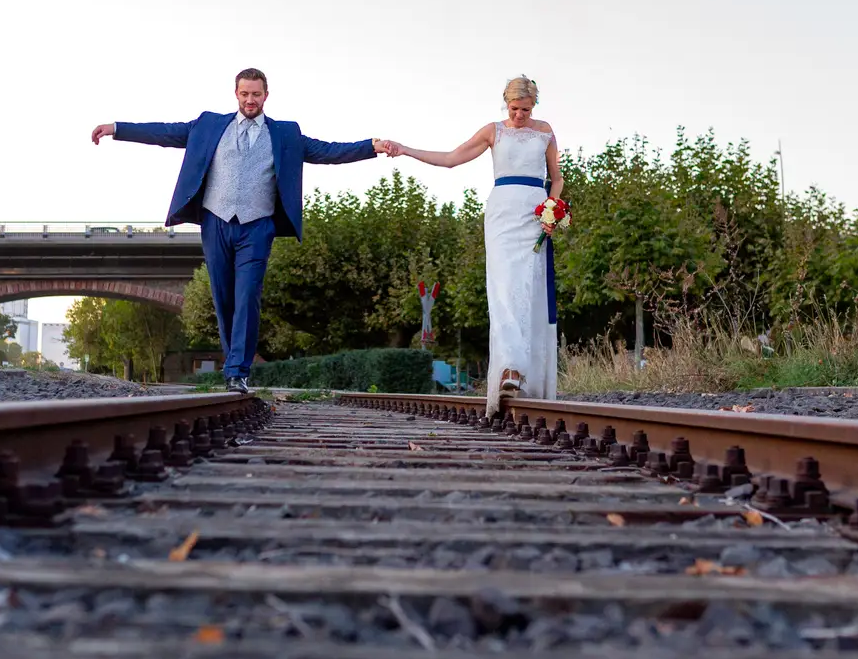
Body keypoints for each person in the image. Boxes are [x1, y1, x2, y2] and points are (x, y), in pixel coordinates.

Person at [91, 68, 390, 393]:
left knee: (248, 295)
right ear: (236, 94)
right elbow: (164, 132)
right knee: (224, 298)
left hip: (258, 226)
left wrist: (369, 147)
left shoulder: (286, 134)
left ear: (266, 95)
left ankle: (237, 371)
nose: (250, 100)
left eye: (256, 94)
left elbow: (328, 151)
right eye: (245, 94)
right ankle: (234, 363)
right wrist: (117, 129)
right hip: (215, 221)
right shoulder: (208, 125)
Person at [385, 76, 561, 415]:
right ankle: (510, 370)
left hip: (534, 213)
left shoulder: (545, 130)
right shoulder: (493, 131)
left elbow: (557, 176)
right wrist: (406, 149)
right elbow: (452, 158)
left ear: (534, 105)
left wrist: (553, 208)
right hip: (502, 214)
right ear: (505, 104)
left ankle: (530, 376)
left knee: (530, 291)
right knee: (504, 287)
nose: (520, 115)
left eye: (526, 109)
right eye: (514, 109)